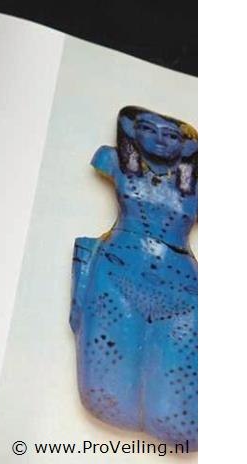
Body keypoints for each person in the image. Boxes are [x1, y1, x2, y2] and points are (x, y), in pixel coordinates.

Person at [71, 107, 198, 449]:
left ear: (186, 146)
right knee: (105, 394)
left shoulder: (198, 186)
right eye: (148, 129)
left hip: (183, 292)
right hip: (117, 273)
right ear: (130, 131)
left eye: (171, 135)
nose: (159, 139)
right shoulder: (112, 160)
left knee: (180, 420)